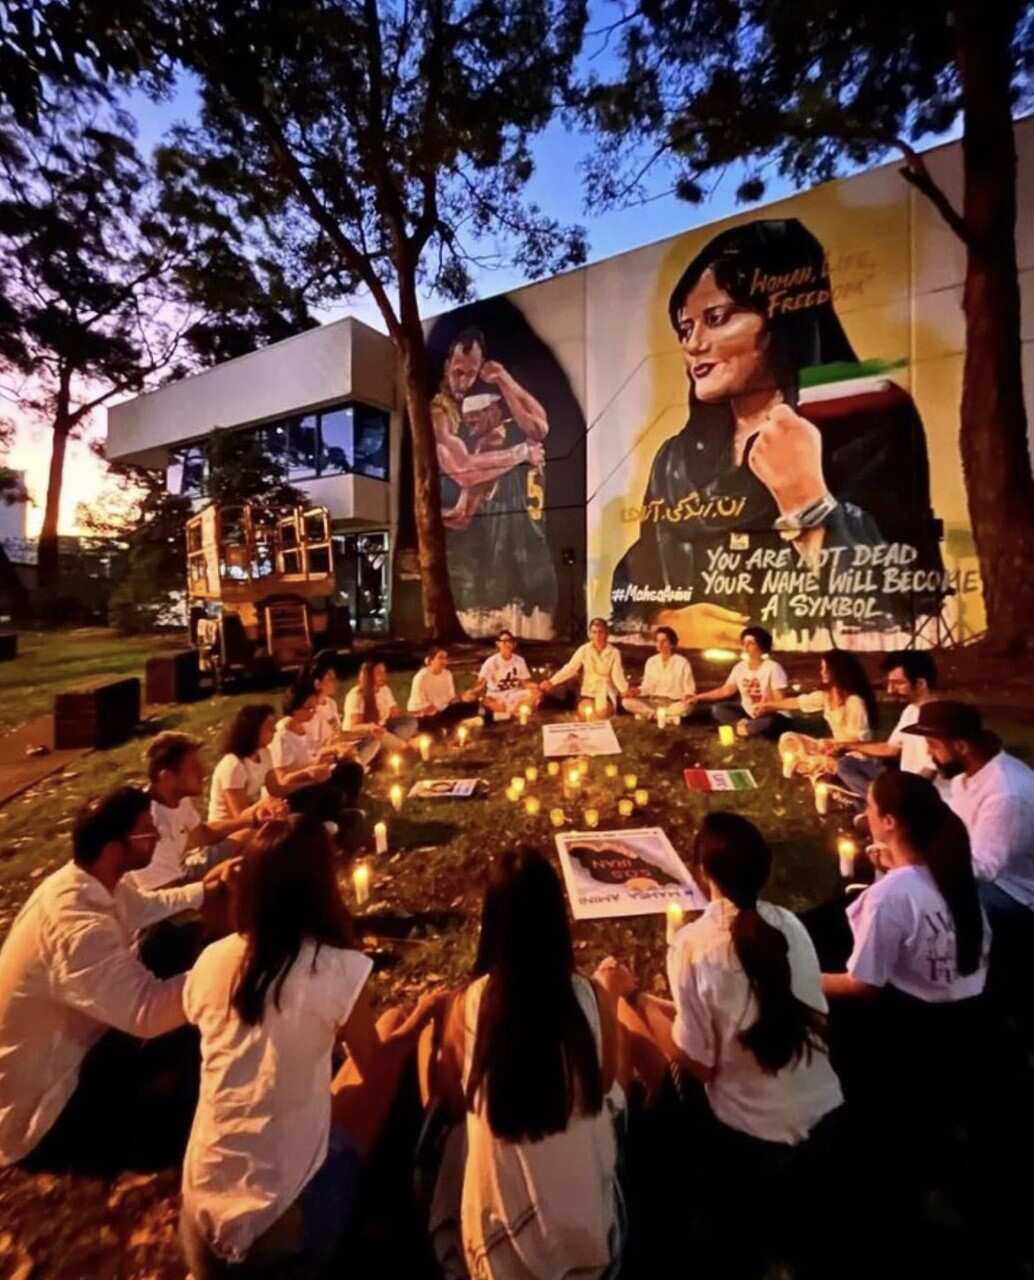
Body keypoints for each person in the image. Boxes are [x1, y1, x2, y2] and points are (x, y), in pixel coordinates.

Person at [609, 217, 944, 650]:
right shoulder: (676, 459)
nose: (693, 344)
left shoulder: (869, 418)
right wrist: (666, 622)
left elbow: (903, 606)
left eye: (717, 317)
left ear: (781, 317)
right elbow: (638, 575)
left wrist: (810, 503)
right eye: (686, 327)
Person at [179, 815, 444, 1278]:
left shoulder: (211, 961)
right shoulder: (336, 968)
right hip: (283, 1235)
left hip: (199, 1228)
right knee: (394, 1026)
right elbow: (374, 1063)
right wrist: (423, 1015)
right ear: (321, 885)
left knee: (337, 1069)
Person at [595, 813, 843, 1279]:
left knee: (647, 1048)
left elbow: (699, 1066)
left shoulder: (693, 945)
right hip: (823, 1110)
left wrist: (632, 1002)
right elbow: (814, 1014)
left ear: (703, 873)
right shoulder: (788, 924)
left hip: (748, 1134)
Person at [0, 787, 237, 1170]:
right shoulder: (75, 925)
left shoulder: (89, 879)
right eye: (147, 832)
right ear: (113, 849)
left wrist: (202, 891)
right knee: (197, 1042)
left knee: (167, 941)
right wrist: (230, 965)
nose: (158, 837)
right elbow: (149, 1013)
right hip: (50, 1101)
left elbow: (143, 907)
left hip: (83, 1040)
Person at [422, 847, 624, 1280]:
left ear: (491, 925)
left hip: (494, 1261)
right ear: (558, 920)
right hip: (589, 1249)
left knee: (454, 1135)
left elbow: (453, 1104)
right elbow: (605, 1084)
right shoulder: (591, 999)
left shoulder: (467, 1006)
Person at [900, 700, 1034, 1010]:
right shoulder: (966, 775)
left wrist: (915, 860)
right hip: (982, 871)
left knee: (930, 903)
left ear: (960, 746)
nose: (931, 755)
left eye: (934, 746)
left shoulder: (1006, 793)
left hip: (1016, 892)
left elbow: (985, 869)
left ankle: (962, 985)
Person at [431, 327, 557, 635]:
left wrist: (503, 378)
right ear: (447, 365)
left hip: (528, 565)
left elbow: (540, 426)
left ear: (494, 410)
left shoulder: (507, 435)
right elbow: (462, 510)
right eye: (458, 373)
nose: (463, 383)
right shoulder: (472, 437)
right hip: (513, 569)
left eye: (471, 375)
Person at [127, 731, 282, 892]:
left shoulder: (177, 798)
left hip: (183, 872)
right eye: (194, 768)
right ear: (167, 778)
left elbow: (202, 835)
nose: (203, 772)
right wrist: (220, 879)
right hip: (168, 897)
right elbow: (165, 897)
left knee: (250, 836)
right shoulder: (149, 824)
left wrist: (253, 820)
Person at [825, 650, 940, 804]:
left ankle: (878, 802)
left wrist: (905, 793)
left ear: (920, 684)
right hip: (902, 780)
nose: (890, 690)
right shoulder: (911, 711)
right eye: (889, 683)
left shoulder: (939, 717)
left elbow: (930, 772)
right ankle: (874, 800)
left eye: (898, 683)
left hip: (920, 791)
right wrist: (847, 746)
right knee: (846, 764)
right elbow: (891, 749)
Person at [272, 679, 367, 825]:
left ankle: (349, 807)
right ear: (294, 708)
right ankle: (332, 819)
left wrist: (332, 752)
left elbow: (313, 754)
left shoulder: (303, 726)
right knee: (333, 794)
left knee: (352, 769)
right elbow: (282, 780)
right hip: (298, 789)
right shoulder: (282, 736)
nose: (313, 712)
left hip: (316, 776)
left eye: (314, 707)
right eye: (309, 708)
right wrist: (309, 773)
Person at [765, 650, 877, 774]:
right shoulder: (826, 696)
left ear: (837, 671)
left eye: (825, 669)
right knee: (788, 738)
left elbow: (859, 739)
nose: (821, 672)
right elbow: (797, 702)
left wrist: (832, 744)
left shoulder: (854, 701)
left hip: (853, 754)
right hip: (832, 748)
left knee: (829, 762)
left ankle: (810, 766)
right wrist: (767, 706)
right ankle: (808, 765)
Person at [692, 625, 790, 738]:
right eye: (744, 643)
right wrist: (698, 697)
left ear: (761, 645)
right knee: (718, 709)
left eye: (751, 643)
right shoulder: (740, 667)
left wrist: (765, 708)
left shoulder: (773, 668)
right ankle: (745, 726)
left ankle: (749, 728)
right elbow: (725, 691)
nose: (746, 646)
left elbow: (780, 701)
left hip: (772, 714)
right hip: (749, 713)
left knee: (769, 722)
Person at [540, 618, 629, 717]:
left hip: (606, 692)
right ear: (590, 634)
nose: (597, 636)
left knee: (602, 713)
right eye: (594, 632)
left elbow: (617, 674)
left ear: (606, 633)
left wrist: (624, 690)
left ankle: (601, 719)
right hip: (588, 691)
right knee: (587, 711)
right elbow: (571, 668)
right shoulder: (584, 650)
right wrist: (552, 682)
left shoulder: (614, 652)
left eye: (601, 632)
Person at [621, 626, 696, 721]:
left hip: (674, 704)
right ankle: (666, 717)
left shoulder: (682, 662)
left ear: (672, 644)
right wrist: (636, 691)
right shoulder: (651, 661)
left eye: (664, 641)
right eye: (657, 641)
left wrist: (688, 696)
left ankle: (651, 715)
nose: (660, 644)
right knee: (626, 702)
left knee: (685, 707)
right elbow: (647, 687)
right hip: (653, 703)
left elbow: (689, 689)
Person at [343, 661, 419, 753]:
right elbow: (353, 727)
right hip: (364, 735)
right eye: (379, 673)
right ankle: (400, 747)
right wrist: (370, 727)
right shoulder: (356, 695)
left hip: (383, 728)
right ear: (369, 676)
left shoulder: (384, 690)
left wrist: (415, 713)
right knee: (403, 747)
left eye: (384, 672)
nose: (384, 676)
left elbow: (395, 713)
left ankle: (390, 747)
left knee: (410, 721)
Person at [469, 630, 539, 717]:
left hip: (513, 694)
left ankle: (511, 713)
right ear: (498, 644)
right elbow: (481, 683)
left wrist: (534, 687)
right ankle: (513, 713)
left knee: (536, 693)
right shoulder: (491, 662)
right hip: (495, 695)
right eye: (504, 641)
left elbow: (524, 682)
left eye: (510, 641)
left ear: (514, 644)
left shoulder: (519, 660)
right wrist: (472, 691)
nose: (507, 644)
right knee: (486, 701)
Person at [407, 647, 472, 727]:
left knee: (470, 705)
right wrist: (440, 707)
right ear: (430, 661)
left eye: (445, 658)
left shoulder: (447, 674)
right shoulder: (421, 677)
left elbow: (450, 698)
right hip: (424, 714)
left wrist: (462, 697)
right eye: (440, 658)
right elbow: (422, 706)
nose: (444, 661)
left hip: (442, 709)